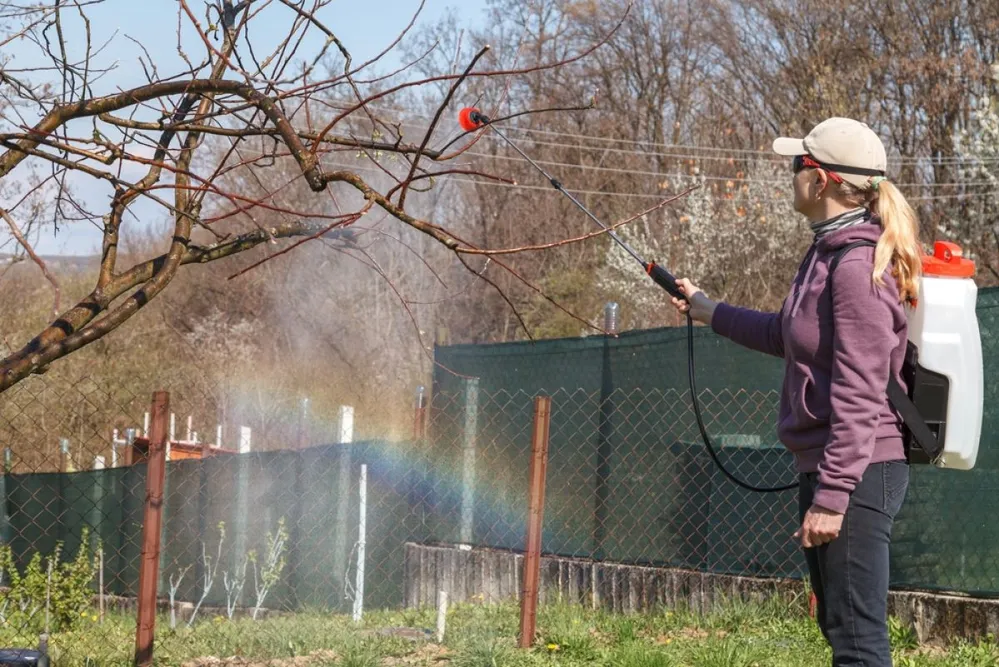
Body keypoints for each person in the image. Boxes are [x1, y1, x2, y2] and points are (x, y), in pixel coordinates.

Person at [669, 117, 923, 666]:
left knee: (858, 644)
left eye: (797, 165)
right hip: (835, 465)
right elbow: (788, 334)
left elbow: (860, 392)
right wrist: (710, 310)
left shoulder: (856, 266)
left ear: (822, 179)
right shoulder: (824, 254)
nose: (790, 174)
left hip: (858, 471)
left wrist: (832, 497)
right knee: (842, 632)